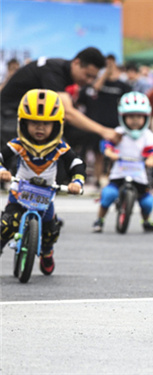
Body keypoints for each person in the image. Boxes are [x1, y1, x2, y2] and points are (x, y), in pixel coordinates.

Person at [0, 89, 85, 273]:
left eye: (46, 124)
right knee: (7, 225)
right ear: (23, 122)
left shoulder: (60, 147)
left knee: (50, 230)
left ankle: (47, 253)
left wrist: (77, 182)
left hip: (46, 197)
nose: (40, 128)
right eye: (34, 123)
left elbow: (76, 163)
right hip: (19, 192)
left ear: (57, 125)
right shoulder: (19, 144)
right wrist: (2, 170)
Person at [0, 47, 119, 145]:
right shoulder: (54, 70)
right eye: (87, 75)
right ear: (76, 63)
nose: (89, 81)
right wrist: (104, 131)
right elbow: (68, 113)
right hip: (7, 117)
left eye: (93, 77)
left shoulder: (62, 69)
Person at [92, 92, 153, 233]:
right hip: (119, 174)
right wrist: (109, 152)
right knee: (108, 194)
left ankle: (147, 220)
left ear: (146, 117)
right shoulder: (118, 132)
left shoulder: (148, 136)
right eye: (131, 116)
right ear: (123, 117)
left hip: (139, 176)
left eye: (139, 116)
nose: (135, 120)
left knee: (147, 202)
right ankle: (99, 220)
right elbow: (106, 144)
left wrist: (151, 158)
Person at [72, 54, 132, 188]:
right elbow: (94, 89)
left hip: (115, 124)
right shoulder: (98, 82)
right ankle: (98, 180)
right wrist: (105, 75)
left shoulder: (121, 85)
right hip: (98, 124)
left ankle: (111, 179)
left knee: (113, 155)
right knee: (98, 154)